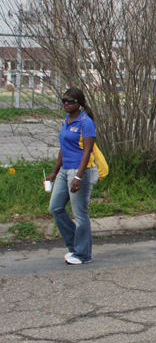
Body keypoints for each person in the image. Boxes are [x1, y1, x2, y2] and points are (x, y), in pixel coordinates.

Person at [46, 88, 100, 265]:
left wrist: (78, 176)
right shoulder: (66, 120)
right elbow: (64, 148)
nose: (66, 104)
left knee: (80, 213)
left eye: (70, 101)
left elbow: (87, 151)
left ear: (79, 103)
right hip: (65, 170)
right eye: (64, 100)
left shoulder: (86, 122)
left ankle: (83, 254)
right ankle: (74, 247)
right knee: (55, 207)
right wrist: (55, 171)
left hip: (80, 171)